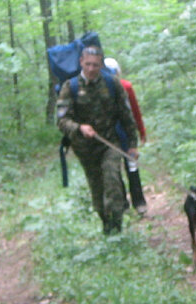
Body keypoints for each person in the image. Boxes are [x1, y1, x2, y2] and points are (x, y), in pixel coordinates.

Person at [56, 45, 140, 234]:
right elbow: (61, 121)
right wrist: (79, 127)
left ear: (101, 64)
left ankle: (117, 228)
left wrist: (133, 145)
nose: (92, 69)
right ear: (81, 63)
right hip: (85, 149)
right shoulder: (70, 88)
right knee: (97, 189)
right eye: (88, 64)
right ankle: (105, 223)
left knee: (112, 181)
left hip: (110, 143)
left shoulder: (112, 84)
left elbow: (127, 116)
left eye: (95, 65)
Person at [103, 58, 148, 214]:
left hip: (117, 135)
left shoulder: (122, 87)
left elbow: (133, 110)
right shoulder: (125, 85)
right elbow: (135, 111)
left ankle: (127, 205)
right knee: (130, 168)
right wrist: (141, 131)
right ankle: (139, 203)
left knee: (118, 170)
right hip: (122, 135)